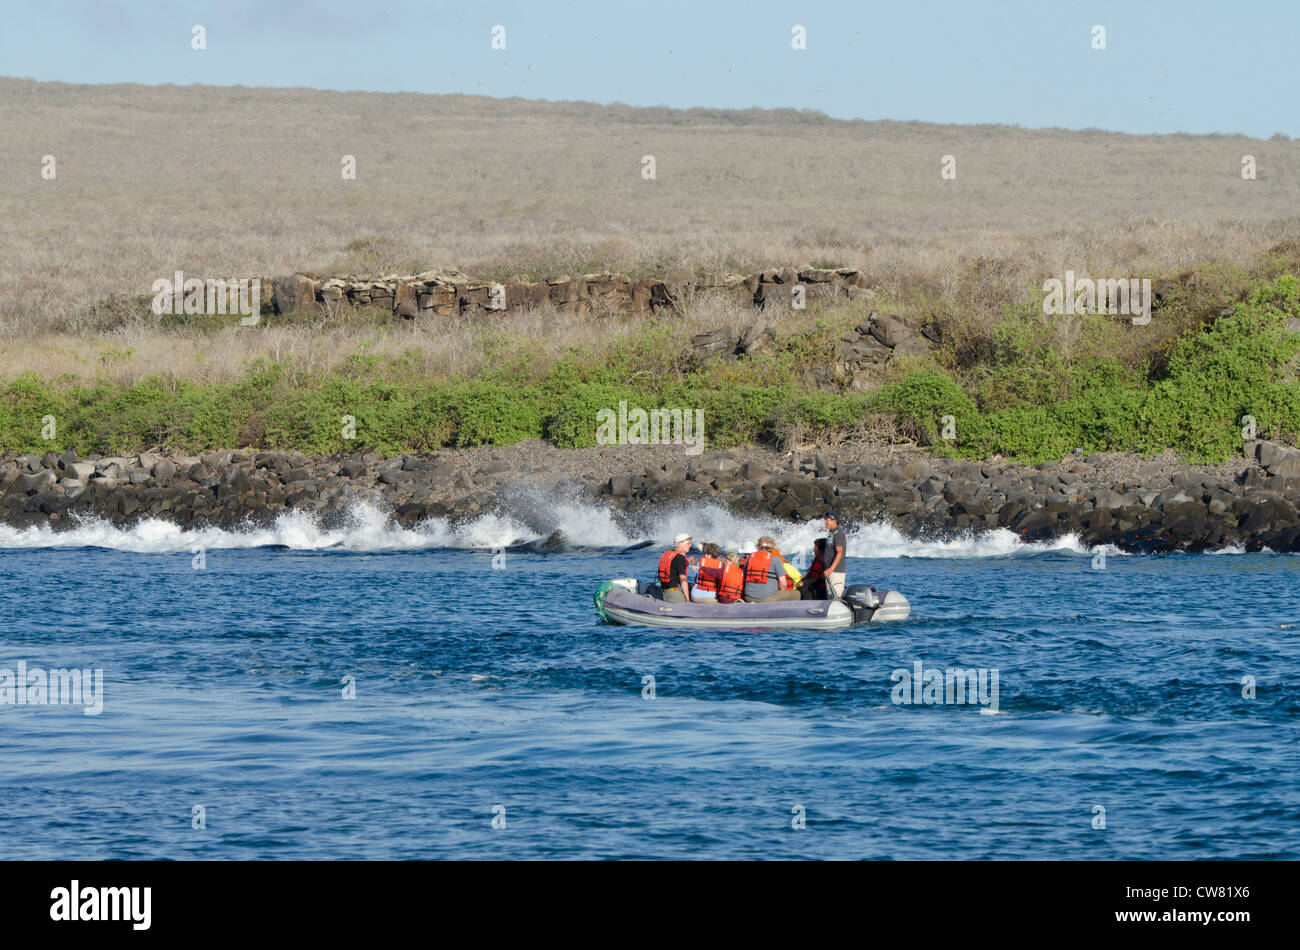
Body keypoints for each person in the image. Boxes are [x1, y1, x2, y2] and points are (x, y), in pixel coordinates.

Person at [742, 537, 801, 602]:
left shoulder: (749, 557)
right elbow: (783, 583)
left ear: (758, 546)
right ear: (772, 547)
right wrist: (782, 594)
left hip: (748, 597)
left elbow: (743, 577)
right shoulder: (775, 559)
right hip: (766, 598)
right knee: (796, 593)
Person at [657, 533, 693, 603]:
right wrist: (688, 600)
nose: (690, 545)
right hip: (676, 595)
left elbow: (673, 567)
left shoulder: (669, 554)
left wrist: (687, 561)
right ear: (680, 544)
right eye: (688, 543)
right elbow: (683, 580)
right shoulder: (680, 558)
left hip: (666, 593)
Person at [823, 511, 847, 598]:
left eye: (827, 519)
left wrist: (830, 569)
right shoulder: (831, 533)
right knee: (829, 598)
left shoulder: (839, 534)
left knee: (835, 599)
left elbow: (839, 553)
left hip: (836, 572)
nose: (825, 521)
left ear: (834, 520)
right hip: (830, 572)